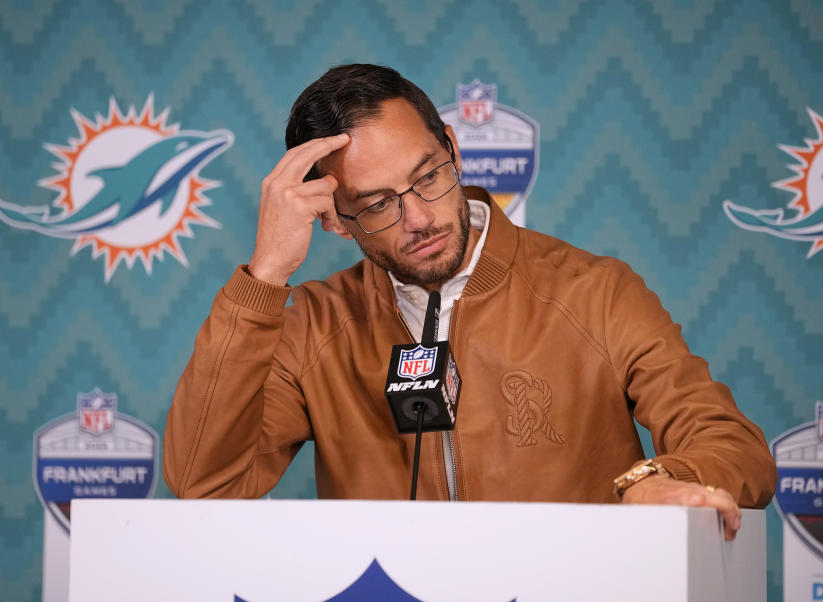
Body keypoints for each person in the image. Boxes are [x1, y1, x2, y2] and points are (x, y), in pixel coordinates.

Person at [162, 64, 776, 540]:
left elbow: (734, 448)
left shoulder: (595, 292)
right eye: (376, 204)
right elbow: (203, 484)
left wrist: (662, 483)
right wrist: (265, 276)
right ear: (334, 219)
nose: (420, 219)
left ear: (453, 148)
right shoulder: (316, 326)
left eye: (428, 175)